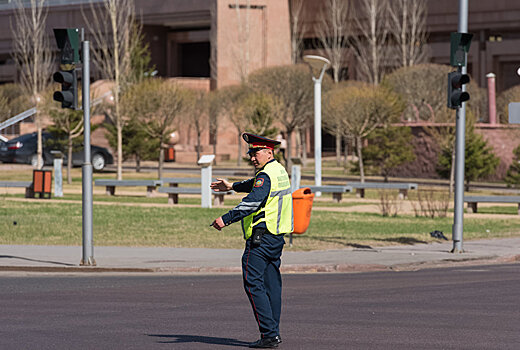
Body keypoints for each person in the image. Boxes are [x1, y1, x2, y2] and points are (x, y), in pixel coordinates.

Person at [211, 132, 293, 349]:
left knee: (253, 283)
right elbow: (256, 184)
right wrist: (232, 186)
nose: (252, 157)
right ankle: (273, 332)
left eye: (255, 153)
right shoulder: (277, 171)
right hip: (276, 237)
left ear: (268, 151)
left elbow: (251, 203)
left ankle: (269, 335)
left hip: (261, 239)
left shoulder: (265, 176)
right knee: (272, 286)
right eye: (250, 153)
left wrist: (225, 219)